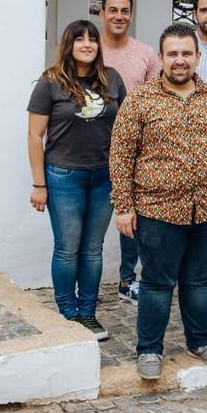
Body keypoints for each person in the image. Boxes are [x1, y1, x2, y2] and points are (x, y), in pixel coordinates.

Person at [109, 24, 207, 381]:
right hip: (157, 212)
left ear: (198, 57)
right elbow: (121, 155)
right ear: (161, 57)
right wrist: (123, 206)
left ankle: (199, 341)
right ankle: (150, 349)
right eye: (173, 54)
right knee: (156, 283)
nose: (180, 60)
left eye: (187, 53)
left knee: (200, 281)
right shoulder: (140, 100)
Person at [26, 20, 127, 340]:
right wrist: (39, 184)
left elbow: (125, 129)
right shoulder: (50, 82)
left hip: (104, 177)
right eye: (79, 39)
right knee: (68, 248)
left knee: (92, 249)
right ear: (67, 45)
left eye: (92, 39)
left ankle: (88, 313)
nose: (87, 44)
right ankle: (68, 313)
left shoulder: (112, 80)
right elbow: (34, 135)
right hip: (63, 176)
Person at [98, 0, 162, 304]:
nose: (119, 16)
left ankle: (127, 281)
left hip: (136, 150)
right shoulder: (88, 49)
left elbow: (154, 102)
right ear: (102, 14)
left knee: (131, 218)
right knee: (93, 220)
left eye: (124, 10)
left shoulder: (147, 54)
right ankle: (87, 282)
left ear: (131, 15)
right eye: (113, 10)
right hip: (93, 149)